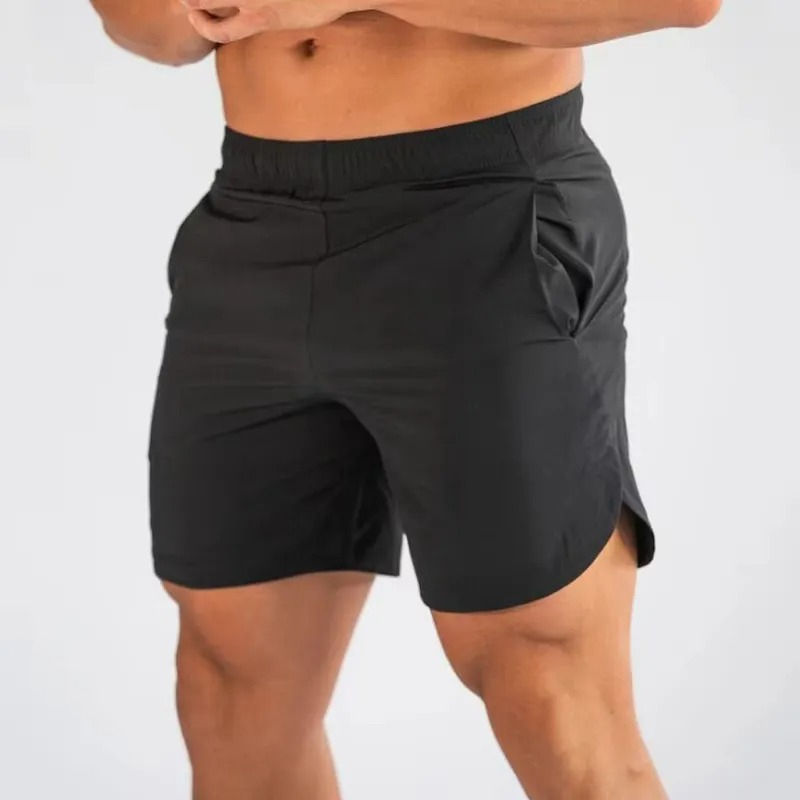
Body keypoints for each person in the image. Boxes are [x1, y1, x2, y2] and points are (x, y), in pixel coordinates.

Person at [89, 2, 721, 798]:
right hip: (252, 223)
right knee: (231, 692)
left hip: (483, 208)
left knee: (549, 689)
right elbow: (136, 22)